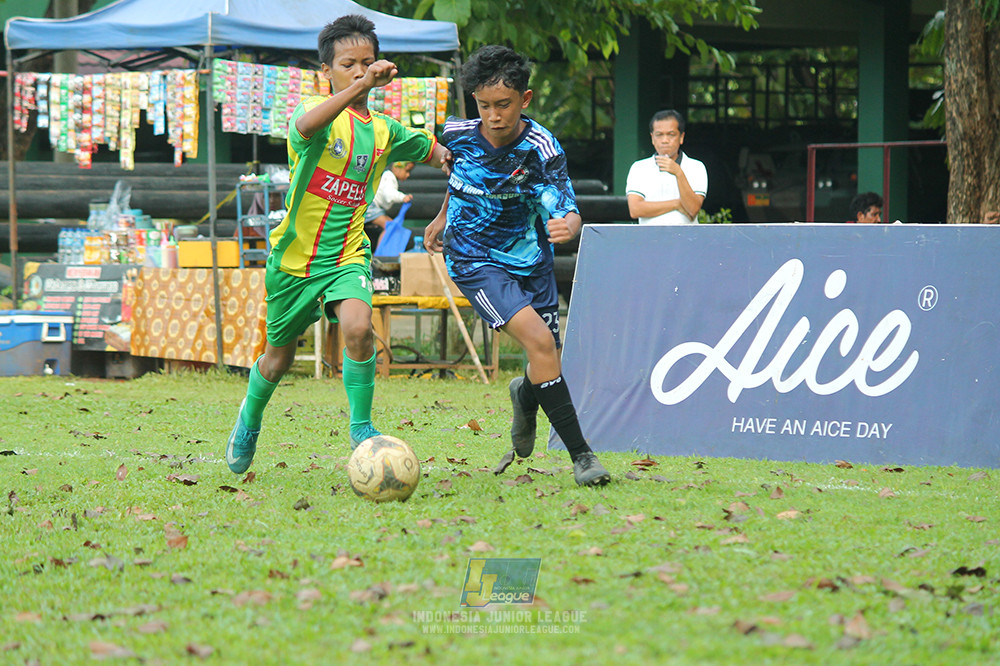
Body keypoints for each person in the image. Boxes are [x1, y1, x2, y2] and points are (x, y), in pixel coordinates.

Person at [225, 14, 451, 474]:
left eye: (367, 62)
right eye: (349, 64)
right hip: (293, 259)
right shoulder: (315, 115)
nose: (361, 70)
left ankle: (362, 427)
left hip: (347, 253)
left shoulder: (385, 130)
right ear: (325, 72)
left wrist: (452, 170)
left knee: (357, 326)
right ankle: (249, 418)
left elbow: (437, 152)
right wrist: (359, 86)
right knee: (276, 359)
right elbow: (308, 124)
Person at [422, 45, 611, 487]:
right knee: (542, 344)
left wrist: (570, 225)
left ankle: (524, 395)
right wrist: (442, 216)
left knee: (544, 356)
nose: (493, 115)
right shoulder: (455, 133)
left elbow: (568, 207)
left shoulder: (542, 148)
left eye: (503, 105)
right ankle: (583, 457)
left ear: (524, 100)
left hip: (531, 262)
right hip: (473, 259)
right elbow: (459, 179)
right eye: (484, 105)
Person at [625, 110, 708, 225]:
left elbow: (693, 209)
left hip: (686, 240)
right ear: (652, 138)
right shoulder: (639, 168)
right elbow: (635, 209)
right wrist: (676, 204)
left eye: (671, 134)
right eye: (659, 135)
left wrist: (678, 173)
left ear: (681, 137)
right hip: (648, 240)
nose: (665, 140)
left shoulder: (696, 167)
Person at [363, 160, 415, 248]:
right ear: (396, 168)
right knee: (390, 226)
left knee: (391, 225)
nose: (408, 175)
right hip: (371, 207)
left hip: (375, 207)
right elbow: (388, 194)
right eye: (407, 171)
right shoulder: (389, 176)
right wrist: (403, 197)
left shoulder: (388, 176)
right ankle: (381, 255)